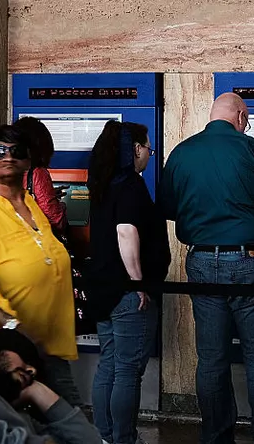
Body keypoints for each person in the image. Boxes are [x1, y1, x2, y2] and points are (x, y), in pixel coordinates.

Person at [158, 92, 254, 444]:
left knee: (211, 359)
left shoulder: (182, 152)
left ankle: (217, 438)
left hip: (202, 261)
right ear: (240, 115)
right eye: (246, 119)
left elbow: (168, 207)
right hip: (251, 262)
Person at [0, 124, 81, 407]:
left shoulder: (31, 204)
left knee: (66, 422)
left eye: (16, 151)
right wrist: (16, 331)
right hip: (10, 353)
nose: (7, 157)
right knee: (62, 423)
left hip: (49, 345)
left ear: (29, 161)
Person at [87, 120, 171, 444]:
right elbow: (126, 231)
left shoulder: (103, 184)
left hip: (104, 289)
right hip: (126, 292)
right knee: (127, 370)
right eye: (148, 147)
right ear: (136, 149)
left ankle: (106, 435)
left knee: (108, 362)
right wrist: (138, 283)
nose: (150, 154)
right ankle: (124, 439)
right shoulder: (131, 185)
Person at [15, 116, 70, 236]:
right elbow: (55, 220)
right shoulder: (37, 173)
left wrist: (49, 194)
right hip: (31, 245)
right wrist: (62, 206)